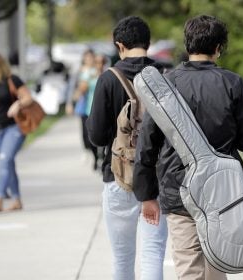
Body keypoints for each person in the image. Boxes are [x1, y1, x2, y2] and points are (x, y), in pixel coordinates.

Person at [133, 15, 243, 280]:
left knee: (189, 267)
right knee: (217, 264)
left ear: (187, 45)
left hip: (178, 188)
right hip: (224, 190)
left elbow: (147, 144)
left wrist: (146, 194)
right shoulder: (232, 84)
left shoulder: (166, 84)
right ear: (219, 48)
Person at [86, 16, 168, 280]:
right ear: (148, 42)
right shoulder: (165, 75)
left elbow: (97, 136)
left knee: (122, 258)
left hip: (119, 178)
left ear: (119, 45)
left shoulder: (108, 80)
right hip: (157, 180)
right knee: (153, 252)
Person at [0, 52, 34, 211]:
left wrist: (18, 104)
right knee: (8, 163)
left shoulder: (12, 80)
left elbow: (28, 98)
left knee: (4, 160)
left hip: (14, 127)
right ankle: (17, 200)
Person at [73, 49, 99, 170]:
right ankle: (89, 152)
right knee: (85, 133)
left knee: (94, 133)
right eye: (87, 58)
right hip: (84, 107)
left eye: (91, 57)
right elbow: (76, 89)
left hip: (96, 107)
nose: (89, 60)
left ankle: (96, 158)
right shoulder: (81, 72)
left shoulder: (98, 70)